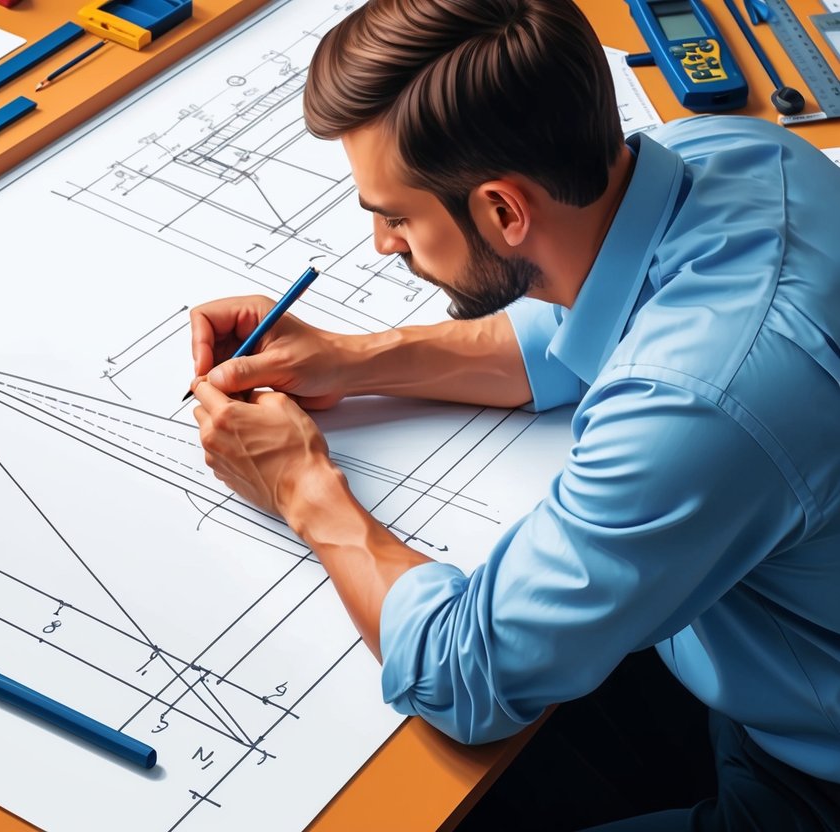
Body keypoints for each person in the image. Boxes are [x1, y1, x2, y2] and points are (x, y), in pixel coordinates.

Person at [185, 0, 840, 829]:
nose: (384, 243)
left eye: (395, 215)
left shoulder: (693, 406)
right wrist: (356, 361)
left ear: (502, 211)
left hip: (806, 774)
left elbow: (464, 681)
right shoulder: (733, 150)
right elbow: (574, 315)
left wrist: (300, 485)